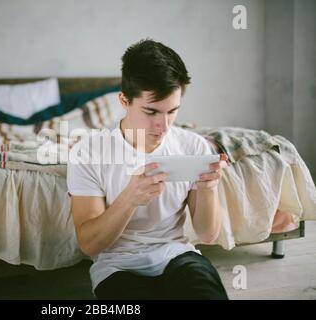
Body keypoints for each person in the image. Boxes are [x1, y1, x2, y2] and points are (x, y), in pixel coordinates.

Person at [66, 39, 229, 300]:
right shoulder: (87, 153)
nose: (162, 126)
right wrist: (130, 198)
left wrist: (208, 189)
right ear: (124, 100)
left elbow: (208, 235)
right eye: (151, 112)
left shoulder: (194, 146)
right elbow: (89, 244)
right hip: (117, 265)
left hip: (177, 254)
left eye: (172, 111)